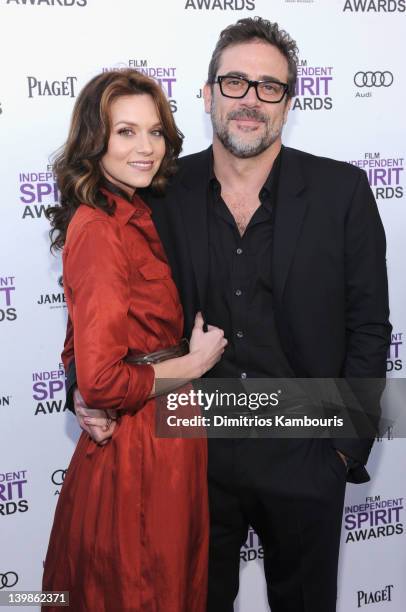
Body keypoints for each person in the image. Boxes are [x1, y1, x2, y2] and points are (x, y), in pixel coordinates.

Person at [69, 18, 391, 612]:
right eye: (235, 82)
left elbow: (370, 327)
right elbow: (104, 298)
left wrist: (344, 449)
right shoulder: (161, 188)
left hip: (305, 447)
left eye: (269, 87)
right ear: (208, 92)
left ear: (290, 102)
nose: (250, 100)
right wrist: (82, 387)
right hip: (192, 455)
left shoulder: (341, 191)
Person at [41, 69, 227, 612]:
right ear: (94, 142)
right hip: (140, 449)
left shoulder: (140, 208)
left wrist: (78, 374)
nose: (145, 148)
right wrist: (194, 364)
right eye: (125, 132)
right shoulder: (99, 227)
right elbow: (101, 379)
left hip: (171, 440)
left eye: (155, 131)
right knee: (143, 592)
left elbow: (81, 336)